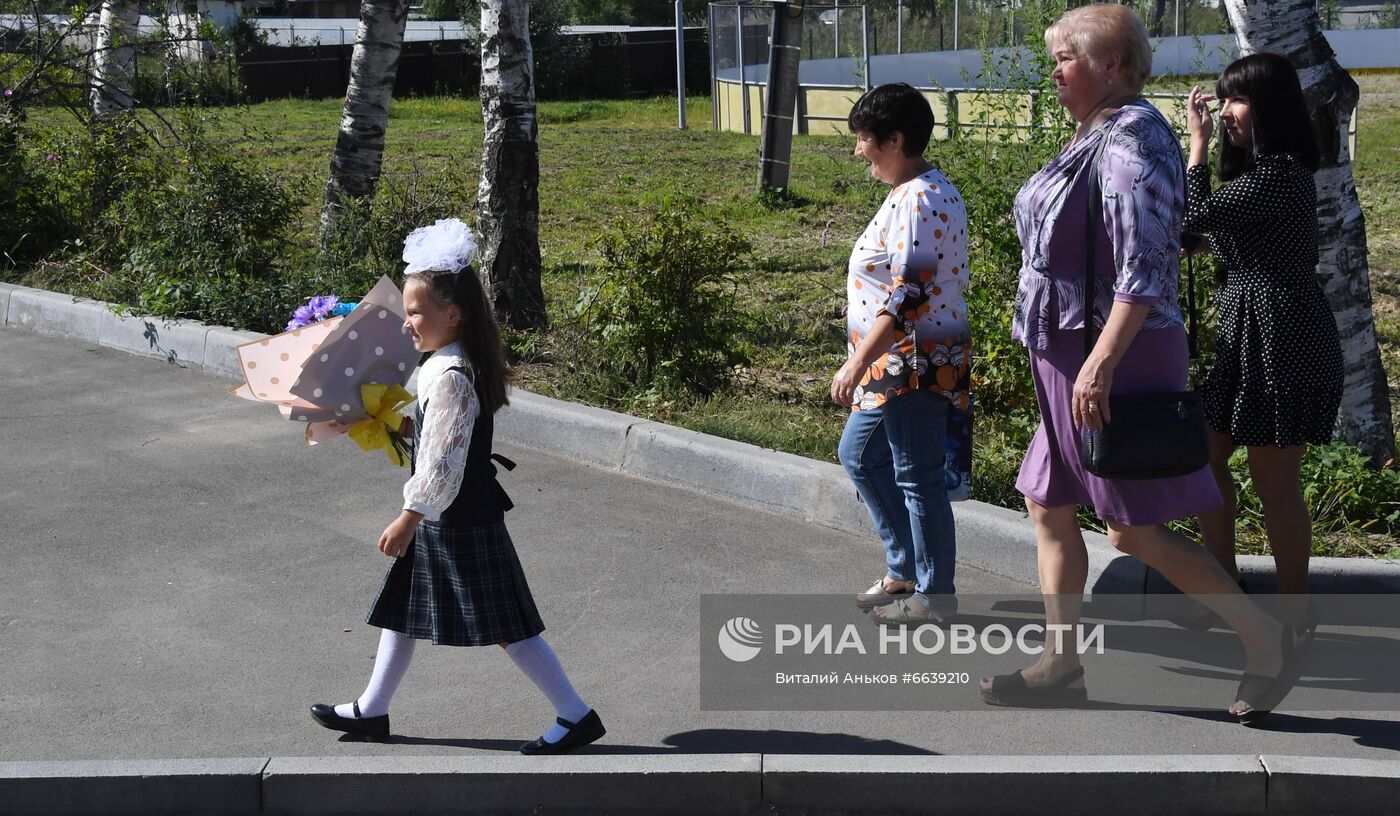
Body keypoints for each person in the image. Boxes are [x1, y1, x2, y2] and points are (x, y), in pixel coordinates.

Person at [977, 4, 1309, 722]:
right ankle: (1061, 663)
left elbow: (1145, 268)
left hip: (1112, 355)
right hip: (1067, 351)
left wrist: (1097, 365)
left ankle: (1267, 640)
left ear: (1115, 67)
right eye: (1056, 55)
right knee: (1048, 504)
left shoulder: (1131, 139)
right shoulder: (1093, 131)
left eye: (1068, 56)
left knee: (1129, 528)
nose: (1055, 68)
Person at [310, 219, 605, 754]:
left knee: (507, 624)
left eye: (416, 313)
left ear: (454, 313)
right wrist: (382, 421)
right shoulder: (443, 366)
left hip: (458, 517)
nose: (407, 324)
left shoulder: (449, 376)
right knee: (400, 610)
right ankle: (372, 711)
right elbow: (436, 436)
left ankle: (575, 714)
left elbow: (444, 462)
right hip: (449, 513)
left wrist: (408, 518)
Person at [1185, 53, 1341, 626]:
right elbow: (1217, 237)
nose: (1225, 112)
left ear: (1270, 108)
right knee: (1204, 459)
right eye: (1223, 100)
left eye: (1237, 100)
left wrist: (1195, 145)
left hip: (1284, 339)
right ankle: (1223, 591)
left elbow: (1196, 213)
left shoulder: (1281, 175)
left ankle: (1295, 610)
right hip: (1246, 339)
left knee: (1274, 483)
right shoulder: (1261, 180)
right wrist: (1197, 245)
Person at [834, 82, 973, 625]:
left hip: (913, 360)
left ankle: (934, 596)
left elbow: (909, 293)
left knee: (917, 477)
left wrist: (856, 362)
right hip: (902, 359)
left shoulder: (920, 197)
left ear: (895, 140)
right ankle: (905, 568)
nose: (858, 151)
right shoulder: (917, 191)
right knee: (860, 455)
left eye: (865, 140)